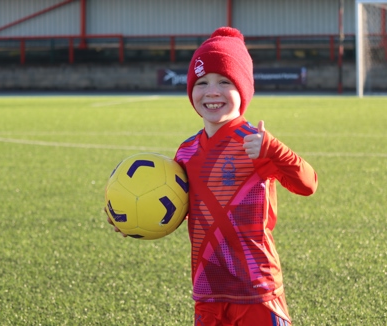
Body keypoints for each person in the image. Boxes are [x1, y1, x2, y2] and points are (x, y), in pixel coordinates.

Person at [107, 26, 318, 326]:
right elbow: (180, 207)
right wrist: (134, 217)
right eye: (202, 82)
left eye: (224, 81)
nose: (212, 91)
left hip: (257, 291)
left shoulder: (256, 143)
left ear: (243, 89)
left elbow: (308, 184)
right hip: (207, 292)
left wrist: (274, 149)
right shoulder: (186, 152)